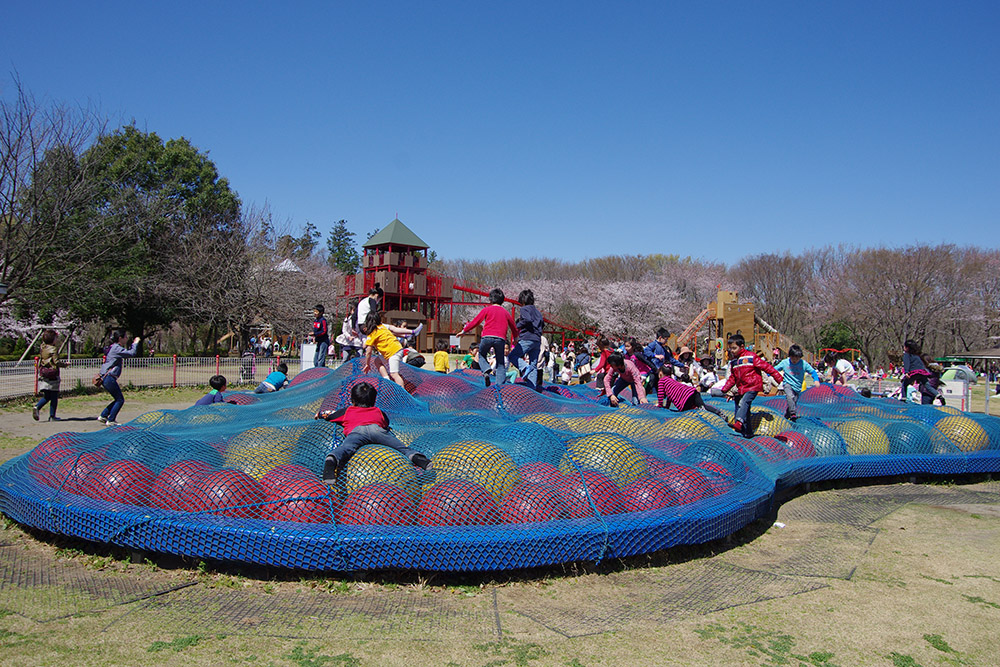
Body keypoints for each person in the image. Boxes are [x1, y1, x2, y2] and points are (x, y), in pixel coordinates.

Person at [317, 383, 430, 480]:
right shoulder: (378, 411)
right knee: (401, 447)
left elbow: (331, 416)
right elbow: (385, 423)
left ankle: (332, 459)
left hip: (357, 431)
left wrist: (320, 415)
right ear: (374, 401)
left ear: (353, 401)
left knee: (346, 448)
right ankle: (417, 457)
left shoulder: (348, 411)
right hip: (377, 430)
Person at [719, 333, 783, 438]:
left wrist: (778, 377)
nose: (732, 351)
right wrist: (725, 389)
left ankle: (739, 422)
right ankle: (747, 432)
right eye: (730, 349)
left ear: (742, 346)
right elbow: (733, 378)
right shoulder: (734, 362)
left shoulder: (751, 357)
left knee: (744, 402)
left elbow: (766, 367)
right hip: (741, 388)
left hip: (752, 386)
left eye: (734, 348)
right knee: (745, 409)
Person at [459, 288, 517, 387]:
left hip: (486, 337)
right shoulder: (505, 312)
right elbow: (513, 327)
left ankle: (486, 370)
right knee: (500, 363)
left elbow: (475, 321)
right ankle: (499, 386)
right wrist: (515, 338)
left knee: (481, 355)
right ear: (502, 300)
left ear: (490, 299)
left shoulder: (486, 309)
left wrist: (464, 331)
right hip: (500, 339)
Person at [361, 310, 420, 389]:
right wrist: (410, 332)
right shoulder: (382, 326)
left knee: (394, 374)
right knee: (377, 361)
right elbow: (394, 329)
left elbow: (368, 351)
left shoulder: (372, 334)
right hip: (396, 349)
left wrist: (367, 364)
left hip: (394, 352)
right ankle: (387, 379)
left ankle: (402, 392)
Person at [98, 331, 141, 426]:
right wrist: (135, 343)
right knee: (120, 399)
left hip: (106, 377)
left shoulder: (114, 347)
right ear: (120, 338)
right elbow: (131, 353)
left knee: (117, 398)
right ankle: (111, 420)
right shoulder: (116, 348)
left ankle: (104, 415)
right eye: (125, 337)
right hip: (109, 377)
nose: (126, 339)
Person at [506, 289, 545, 389]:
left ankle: (524, 367)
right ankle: (532, 388)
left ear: (522, 301)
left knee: (512, 356)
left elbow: (527, 319)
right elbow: (542, 324)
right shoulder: (538, 312)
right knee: (533, 365)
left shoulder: (524, 309)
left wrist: (517, 325)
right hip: (537, 340)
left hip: (527, 338)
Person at [656, 365, 726, 418]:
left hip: (685, 399)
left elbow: (661, 394)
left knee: (694, 411)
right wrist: (667, 406)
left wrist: (660, 405)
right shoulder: (671, 380)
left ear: (660, 373)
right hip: (692, 392)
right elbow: (670, 396)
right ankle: (718, 413)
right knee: (702, 406)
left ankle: (710, 417)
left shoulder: (662, 381)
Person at [773, 344, 821, 420]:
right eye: (792, 358)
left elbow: (813, 372)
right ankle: (793, 413)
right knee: (790, 396)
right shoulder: (785, 362)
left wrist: (816, 380)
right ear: (790, 356)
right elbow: (774, 369)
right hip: (787, 384)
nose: (795, 360)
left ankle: (787, 416)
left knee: (793, 401)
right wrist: (767, 373)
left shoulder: (803, 364)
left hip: (798, 386)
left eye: (797, 358)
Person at [33, 329, 69, 422]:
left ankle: (37, 406)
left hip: (44, 372)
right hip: (53, 373)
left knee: (47, 395)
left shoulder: (43, 347)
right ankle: (52, 416)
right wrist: (65, 364)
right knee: (54, 396)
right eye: (56, 338)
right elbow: (56, 362)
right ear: (53, 339)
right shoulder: (53, 349)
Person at [900, 340, 946, 406]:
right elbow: (921, 364)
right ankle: (938, 395)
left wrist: (906, 372)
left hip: (914, 372)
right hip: (922, 372)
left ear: (907, 348)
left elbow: (907, 363)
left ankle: (903, 398)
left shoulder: (907, 355)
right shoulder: (917, 356)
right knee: (927, 385)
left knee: (904, 384)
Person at [312, 304, 329, 368]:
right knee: (315, 360)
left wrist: (315, 334)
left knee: (320, 358)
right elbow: (316, 330)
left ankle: (320, 370)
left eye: (316, 312)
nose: (315, 313)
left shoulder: (323, 320)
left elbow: (324, 331)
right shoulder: (315, 321)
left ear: (321, 313)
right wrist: (314, 337)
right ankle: (318, 369)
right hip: (318, 341)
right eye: (314, 311)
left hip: (323, 341)